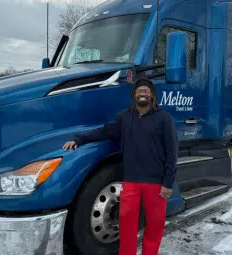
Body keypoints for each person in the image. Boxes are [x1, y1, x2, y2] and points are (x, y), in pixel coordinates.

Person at [63, 76, 178, 255]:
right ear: (134, 95)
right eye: (139, 91)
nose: (143, 94)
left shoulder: (164, 118)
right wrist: (79, 138)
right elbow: (104, 132)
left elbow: (172, 152)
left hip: (156, 184)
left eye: (146, 91)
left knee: (155, 226)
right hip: (131, 181)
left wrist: (168, 183)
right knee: (126, 226)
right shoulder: (124, 117)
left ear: (152, 96)